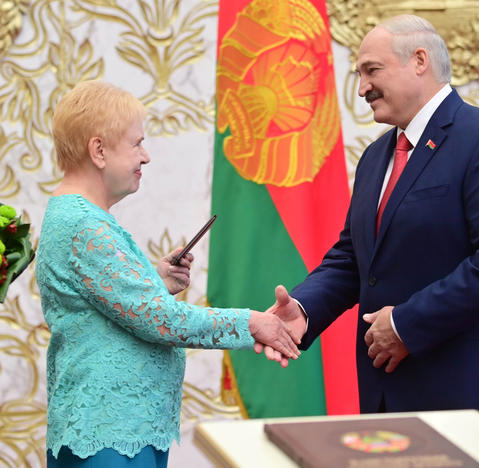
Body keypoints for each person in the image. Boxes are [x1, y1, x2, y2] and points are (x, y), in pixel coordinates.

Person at [259, 14, 479, 455]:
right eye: (359, 74)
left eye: (371, 70)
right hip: (395, 399)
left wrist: (405, 324)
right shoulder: (375, 156)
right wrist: (304, 311)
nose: (361, 87)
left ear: (419, 60)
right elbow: (354, 256)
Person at [35, 80, 300, 468]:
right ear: (99, 150)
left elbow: (110, 307)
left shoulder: (81, 219)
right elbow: (161, 321)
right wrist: (252, 324)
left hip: (119, 430)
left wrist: (156, 280)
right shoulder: (83, 225)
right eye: (136, 143)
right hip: (110, 438)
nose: (146, 157)